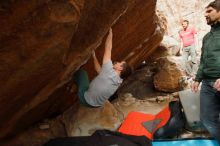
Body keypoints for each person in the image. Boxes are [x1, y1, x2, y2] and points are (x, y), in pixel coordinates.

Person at [74, 28, 132, 107]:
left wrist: (110, 33)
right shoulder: (119, 80)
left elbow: (108, 48)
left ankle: (72, 80)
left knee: (81, 73)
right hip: (96, 105)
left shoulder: (109, 72)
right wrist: (94, 57)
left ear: (120, 68)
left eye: (120, 63)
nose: (117, 62)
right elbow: (99, 70)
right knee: (92, 80)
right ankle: (75, 85)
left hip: (85, 99)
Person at [191, 1, 220, 143]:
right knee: (207, 119)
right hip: (208, 85)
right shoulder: (207, 38)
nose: (205, 14)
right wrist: (197, 79)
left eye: (209, 11)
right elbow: (203, 60)